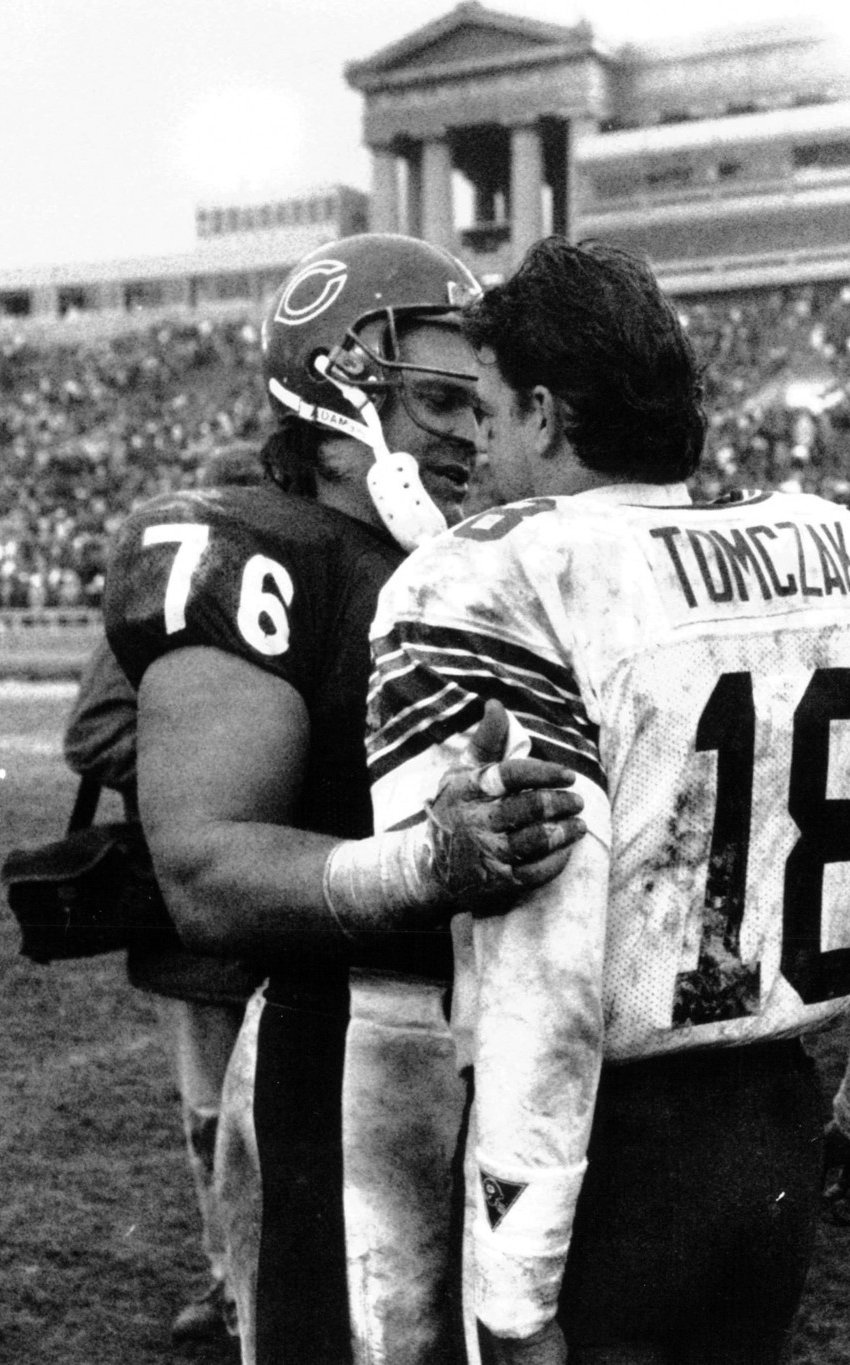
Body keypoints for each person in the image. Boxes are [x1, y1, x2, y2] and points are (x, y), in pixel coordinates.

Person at [367, 236, 850, 1365]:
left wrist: (517, 1291)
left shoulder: (486, 576)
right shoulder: (844, 549)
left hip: (602, 1143)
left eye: (487, 410)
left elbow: (546, 970)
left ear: (544, 413)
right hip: (772, 1118)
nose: (473, 441)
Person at [105, 234, 588, 1365]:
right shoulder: (266, 556)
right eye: (436, 399)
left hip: (532, 1044)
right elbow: (205, 869)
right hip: (369, 1045)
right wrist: (424, 864)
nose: (472, 433)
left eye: (484, 405)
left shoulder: (504, 556)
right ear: (333, 400)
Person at [63, 444, 269, 1348]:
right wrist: (216, 780)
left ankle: (287, 1276)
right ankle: (229, 1279)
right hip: (197, 900)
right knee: (213, 1113)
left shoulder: (320, 587)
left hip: (301, 892)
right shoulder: (155, 606)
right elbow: (94, 730)